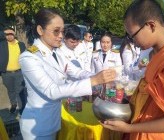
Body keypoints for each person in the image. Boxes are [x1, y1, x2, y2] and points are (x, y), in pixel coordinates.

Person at [101, 0, 164, 140]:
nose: (132, 41)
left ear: (151, 25)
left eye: (133, 35)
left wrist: (129, 128)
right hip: (140, 130)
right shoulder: (158, 54)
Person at [19, 8, 116, 140]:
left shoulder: (56, 53)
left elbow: (76, 71)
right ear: (40, 30)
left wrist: (100, 76)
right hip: (38, 126)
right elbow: (51, 91)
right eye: (56, 31)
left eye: (62, 31)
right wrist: (93, 81)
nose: (60, 36)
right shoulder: (29, 58)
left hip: (55, 120)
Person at [0, 26, 27, 114]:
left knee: (20, 91)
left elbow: (25, 57)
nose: (9, 36)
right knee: (10, 91)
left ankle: (23, 108)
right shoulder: (2, 45)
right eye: (6, 34)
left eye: (11, 34)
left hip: (19, 72)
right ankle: (14, 104)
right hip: (6, 74)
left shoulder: (21, 44)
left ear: (14, 34)